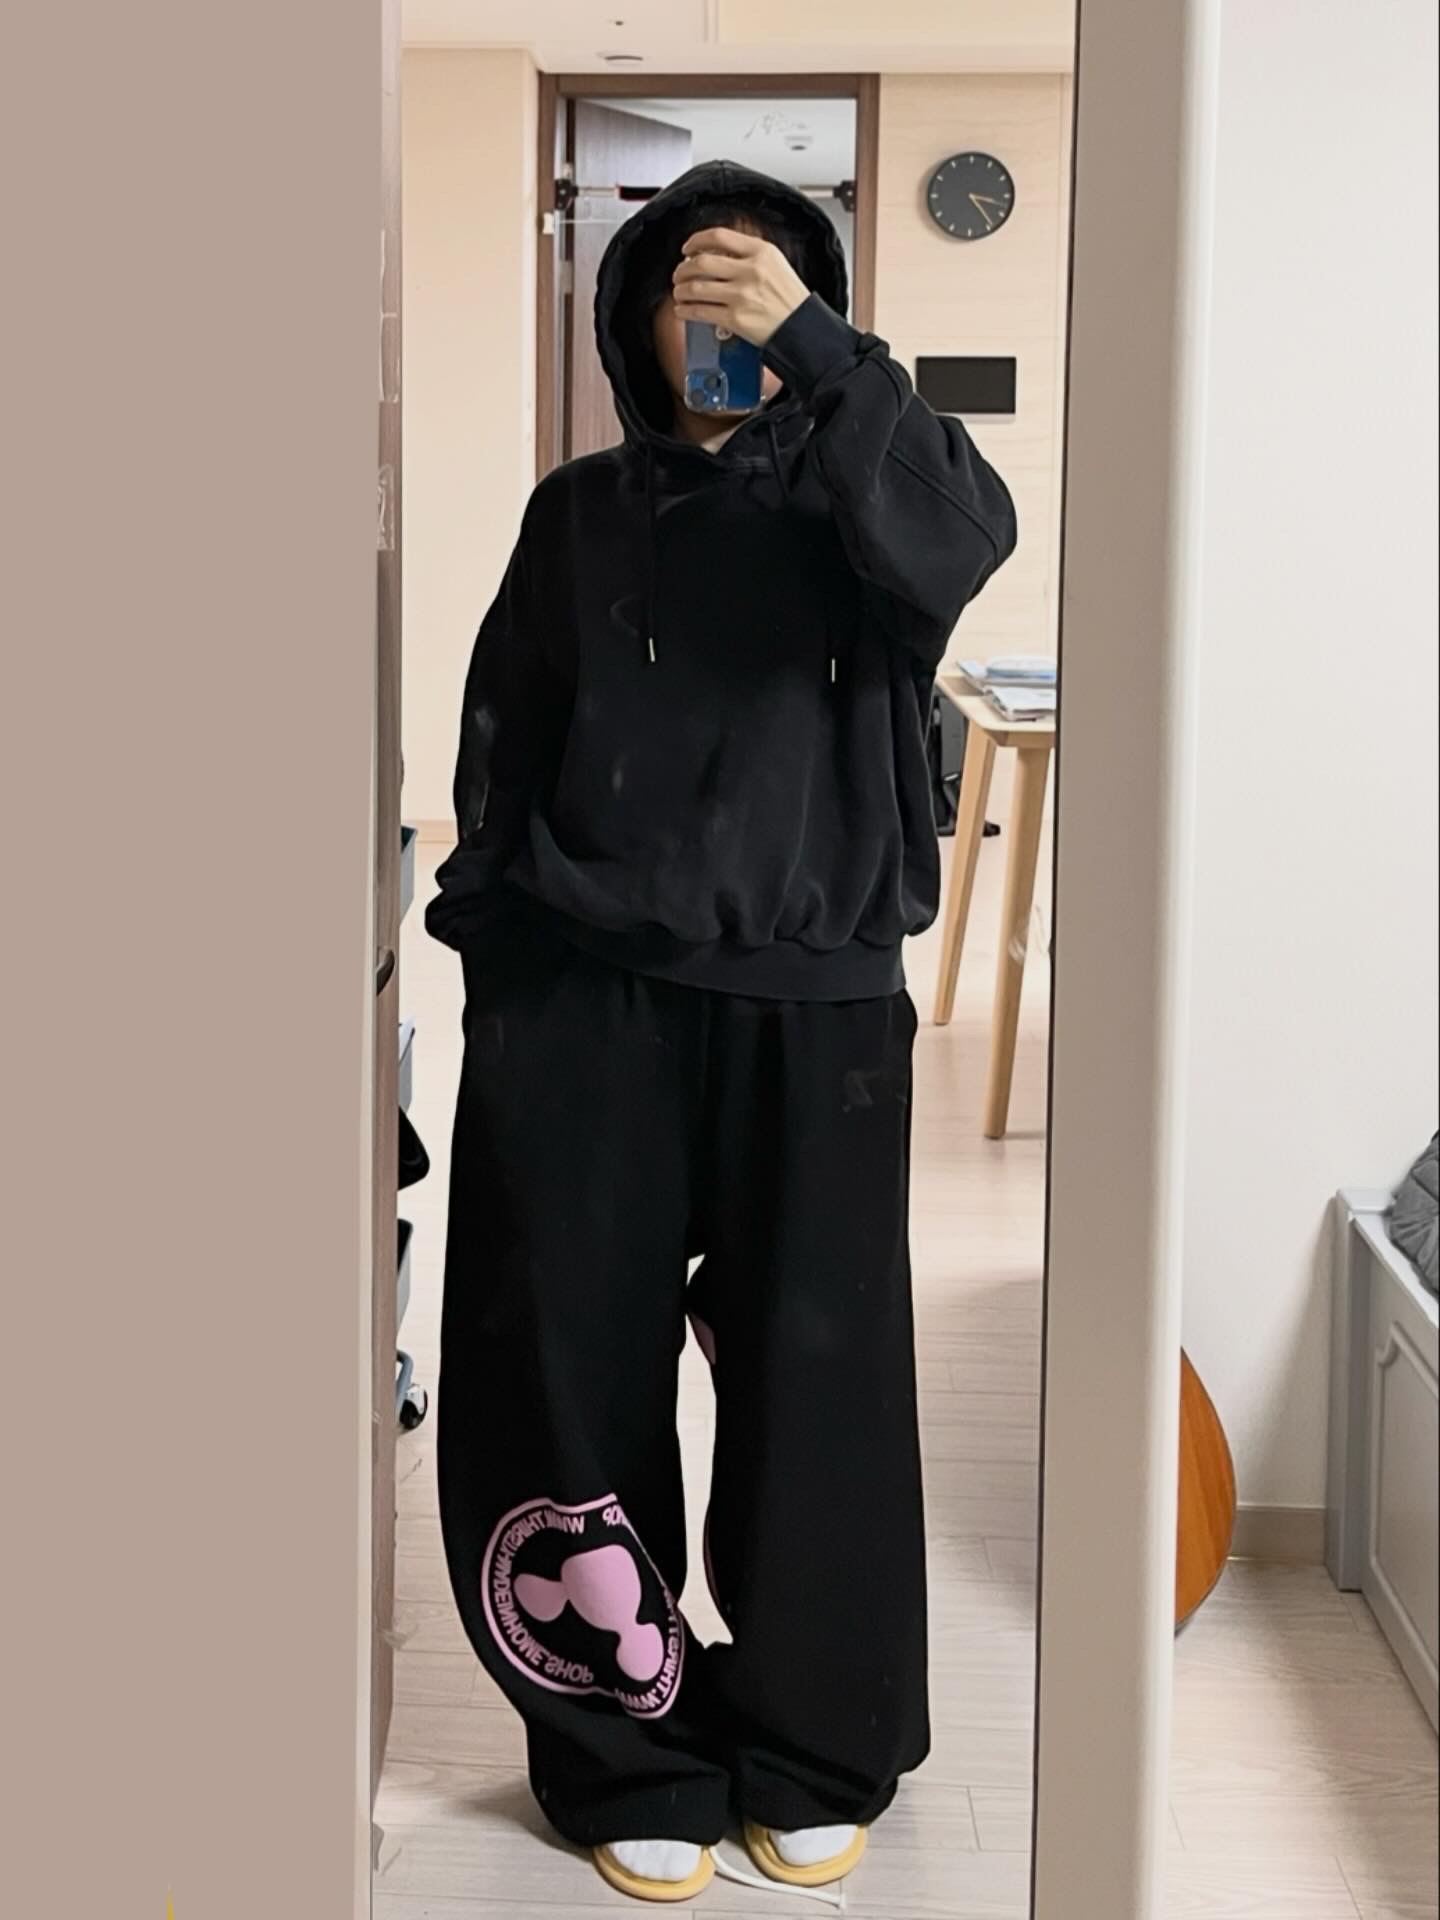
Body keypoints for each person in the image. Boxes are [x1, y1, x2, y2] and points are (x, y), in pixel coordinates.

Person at [426, 160, 1016, 1903]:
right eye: (687, 290)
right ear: (630, 320)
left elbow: (969, 540)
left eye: (753, 285)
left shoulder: (871, 504)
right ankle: (628, 1747)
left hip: (817, 1013)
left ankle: (817, 1741)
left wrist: (824, 354)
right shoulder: (578, 514)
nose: (720, 315)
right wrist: (499, 972)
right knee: (565, 1378)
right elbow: (500, 743)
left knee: (820, 1394)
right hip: (585, 1008)